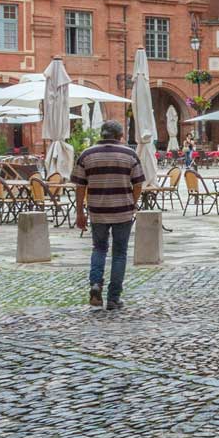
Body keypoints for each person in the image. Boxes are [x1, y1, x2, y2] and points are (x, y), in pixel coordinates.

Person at [72, 120, 145, 310]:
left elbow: (80, 187)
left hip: (97, 211)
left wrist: (80, 212)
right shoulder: (130, 154)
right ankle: (113, 298)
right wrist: (132, 201)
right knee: (119, 254)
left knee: (99, 248)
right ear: (120, 136)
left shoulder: (86, 155)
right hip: (123, 211)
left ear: (101, 134)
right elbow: (138, 184)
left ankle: (96, 284)